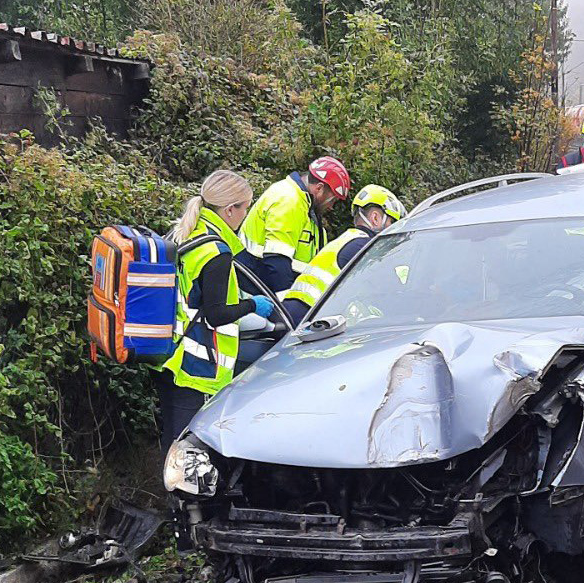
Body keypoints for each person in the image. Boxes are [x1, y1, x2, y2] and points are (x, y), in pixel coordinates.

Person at [158, 170, 276, 452]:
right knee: (186, 447)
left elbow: (192, 292)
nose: (246, 215)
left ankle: (168, 492)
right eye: (245, 208)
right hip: (193, 365)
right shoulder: (216, 252)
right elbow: (215, 314)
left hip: (168, 352)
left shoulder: (186, 232)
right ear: (230, 210)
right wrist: (252, 305)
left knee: (172, 438)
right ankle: (177, 497)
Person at [283, 184, 406, 324]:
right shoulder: (364, 247)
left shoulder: (347, 240)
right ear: (376, 218)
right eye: (392, 222)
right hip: (308, 319)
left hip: (299, 314)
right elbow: (390, 294)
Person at [236, 156, 351, 297]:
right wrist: (287, 307)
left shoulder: (305, 206)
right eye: (332, 199)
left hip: (263, 291)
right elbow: (277, 261)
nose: (331, 206)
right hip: (257, 294)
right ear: (319, 188)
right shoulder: (289, 201)